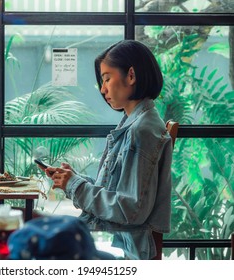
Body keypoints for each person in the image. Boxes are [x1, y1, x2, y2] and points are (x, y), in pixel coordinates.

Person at [37, 40, 173, 260]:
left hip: (124, 247)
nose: (103, 89)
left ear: (131, 75)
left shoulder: (141, 131)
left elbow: (130, 210)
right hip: (114, 238)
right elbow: (118, 193)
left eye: (107, 79)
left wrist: (75, 185)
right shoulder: (134, 124)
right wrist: (73, 180)